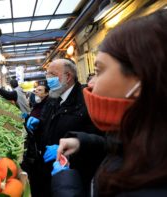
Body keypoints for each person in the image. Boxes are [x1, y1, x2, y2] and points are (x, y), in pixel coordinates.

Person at [51, 9, 167, 197]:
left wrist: (66, 185)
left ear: (141, 79)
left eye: (99, 71)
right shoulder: (145, 136)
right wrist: (83, 142)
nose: (90, 83)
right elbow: (123, 148)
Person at [26, 58, 99, 196]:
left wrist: (70, 153)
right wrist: (37, 123)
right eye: (47, 75)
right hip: (47, 169)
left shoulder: (86, 101)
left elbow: (97, 141)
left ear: (68, 76)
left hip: (73, 175)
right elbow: (46, 121)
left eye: (52, 75)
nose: (48, 79)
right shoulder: (53, 97)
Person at [21, 84, 49, 197]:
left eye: (40, 90)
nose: (37, 92)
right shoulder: (38, 104)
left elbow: (44, 120)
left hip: (40, 140)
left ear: (46, 93)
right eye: (36, 90)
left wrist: (38, 122)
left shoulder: (47, 105)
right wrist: (27, 116)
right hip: (35, 138)